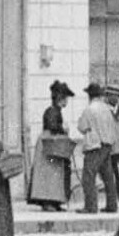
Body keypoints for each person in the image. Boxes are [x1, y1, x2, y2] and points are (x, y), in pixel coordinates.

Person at [74, 81, 119, 214]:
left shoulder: (89, 109)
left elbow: (82, 127)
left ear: (89, 95)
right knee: (108, 176)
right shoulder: (107, 109)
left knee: (88, 176)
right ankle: (112, 205)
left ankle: (91, 206)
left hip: (94, 146)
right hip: (107, 145)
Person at [29, 81, 77, 211]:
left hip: (52, 143)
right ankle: (47, 201)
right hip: (48, 144)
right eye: (65, 98)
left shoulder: (55, 111)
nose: (66, 101)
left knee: (54, 173)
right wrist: (63, 129)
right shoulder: (51, 111)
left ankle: (54, 201)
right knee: (48, 174)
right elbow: (53, 126)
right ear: (60, 98)